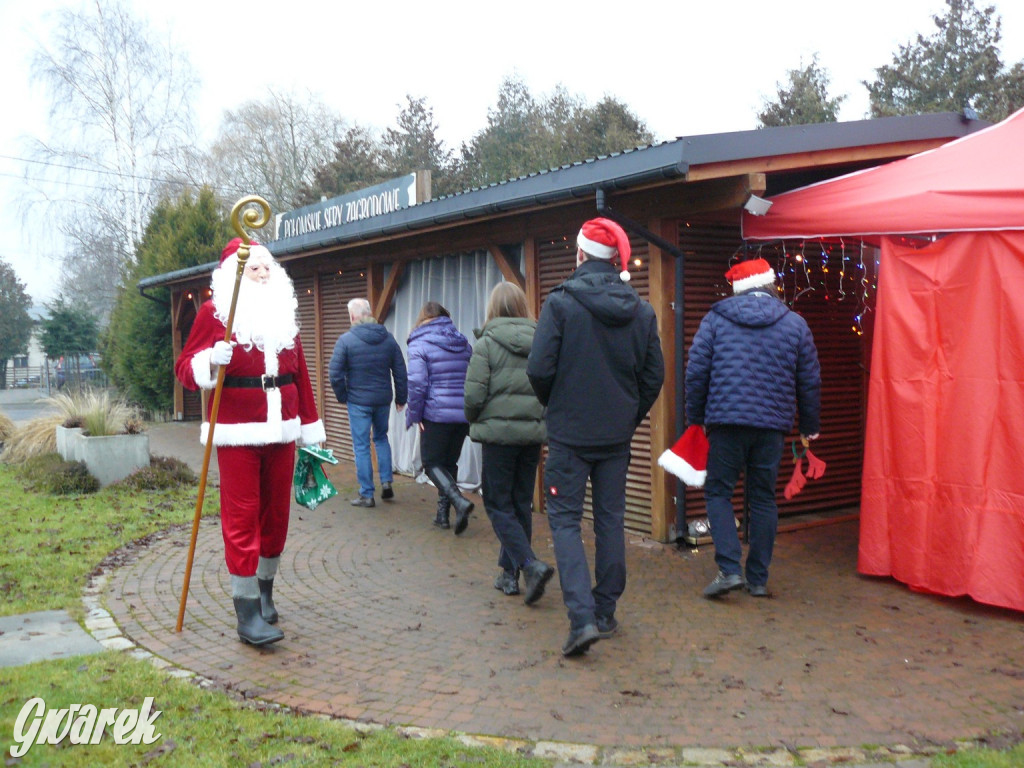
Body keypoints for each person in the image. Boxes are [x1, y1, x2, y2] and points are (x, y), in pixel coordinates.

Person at [175, 237, 326, 647]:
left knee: (276, 514)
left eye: (266, 267)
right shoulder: (214, 314)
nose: (262, 273)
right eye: (253, 268)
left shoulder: (283, 314)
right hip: (237, 429)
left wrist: (311, 427)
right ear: (234, 275)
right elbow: (185, 369)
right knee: (242, 515)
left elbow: (302, 377)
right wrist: (210, 359)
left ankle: (265, 592)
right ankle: (246, 612)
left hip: (284, 427)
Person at [527, 217, 664, 657]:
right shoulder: (641, 312)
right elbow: (653, 376)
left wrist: (558, 404)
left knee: (565, 521)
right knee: (610, 520)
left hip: (569, 434)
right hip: (614, 437)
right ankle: (603, 611)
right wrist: (629, 414)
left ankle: (582, 618)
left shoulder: (561, 303)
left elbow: (538, 369)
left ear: (581, 254)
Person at [685, 257, 821, 599]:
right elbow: (809, 382)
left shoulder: (716, 319)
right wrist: (809, 427)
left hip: (726, 423)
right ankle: (758, 578)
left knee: (718, 492)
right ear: (770, 285)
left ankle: (729, 569)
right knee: (762, 498)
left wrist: (696, 418)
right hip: (771, 427)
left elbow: (696, 372)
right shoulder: (795, 324)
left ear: (738, 288)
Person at [464, 283, 553, 603]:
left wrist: (473, 418)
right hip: (530, 436)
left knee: (497, 504)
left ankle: (529, 565)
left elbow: (474, 394)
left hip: (498, 438)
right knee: (519, 504)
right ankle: (508, 574)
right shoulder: (541, 341)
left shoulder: (486, 344)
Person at [328, 298, 408, 508]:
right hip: (382, 399)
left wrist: (342, 396)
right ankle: (387, 481)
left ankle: (367, 494)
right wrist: (401, 398)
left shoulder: (346, 340)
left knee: (362, 446)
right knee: (381, 438)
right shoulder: (388, 339)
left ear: (353, 316)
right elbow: (400, 370)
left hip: (358, 401)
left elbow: (334, 373)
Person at [405, 301, 475, 534]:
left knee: (431, 463)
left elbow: (417, 383)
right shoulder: (462, 342)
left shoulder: (419, 343)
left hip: (435, 414)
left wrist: (415, 414)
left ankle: (459, 502)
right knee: (449, 464)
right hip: (461, 414)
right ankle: (442, 515)